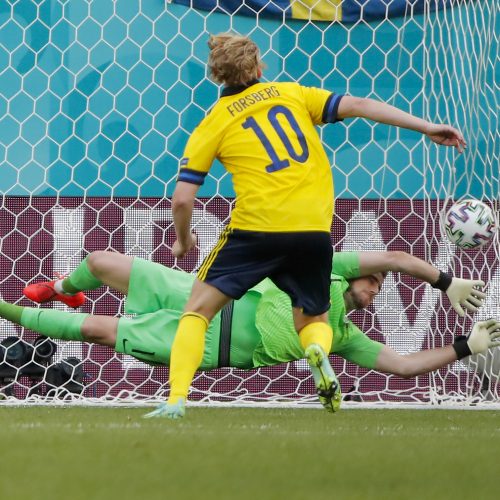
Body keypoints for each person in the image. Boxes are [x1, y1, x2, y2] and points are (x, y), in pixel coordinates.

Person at [159, 32, 466, 418]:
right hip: (313, 230)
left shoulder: (215, 121)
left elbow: (183, 198)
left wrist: (184, 239)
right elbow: (361, 104)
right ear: (258, 67)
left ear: (216, 76)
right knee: (315, 318)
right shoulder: (292, 94)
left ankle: (175, 402)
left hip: (256, 228)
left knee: (197, 312)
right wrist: (426, 127)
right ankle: (316, 349)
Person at [5, 249, 497, 414]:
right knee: (98, 262)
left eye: (381, 283)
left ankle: (7, 312)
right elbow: (393, 257)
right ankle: (59, 288)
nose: (378, 284)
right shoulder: (325, 266)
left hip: (205, 342)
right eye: (375, 279)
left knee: (97, 331)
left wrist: (465, 346)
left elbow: (404, 366)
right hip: (201, 292)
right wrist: (445, 281)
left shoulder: (346, 334)